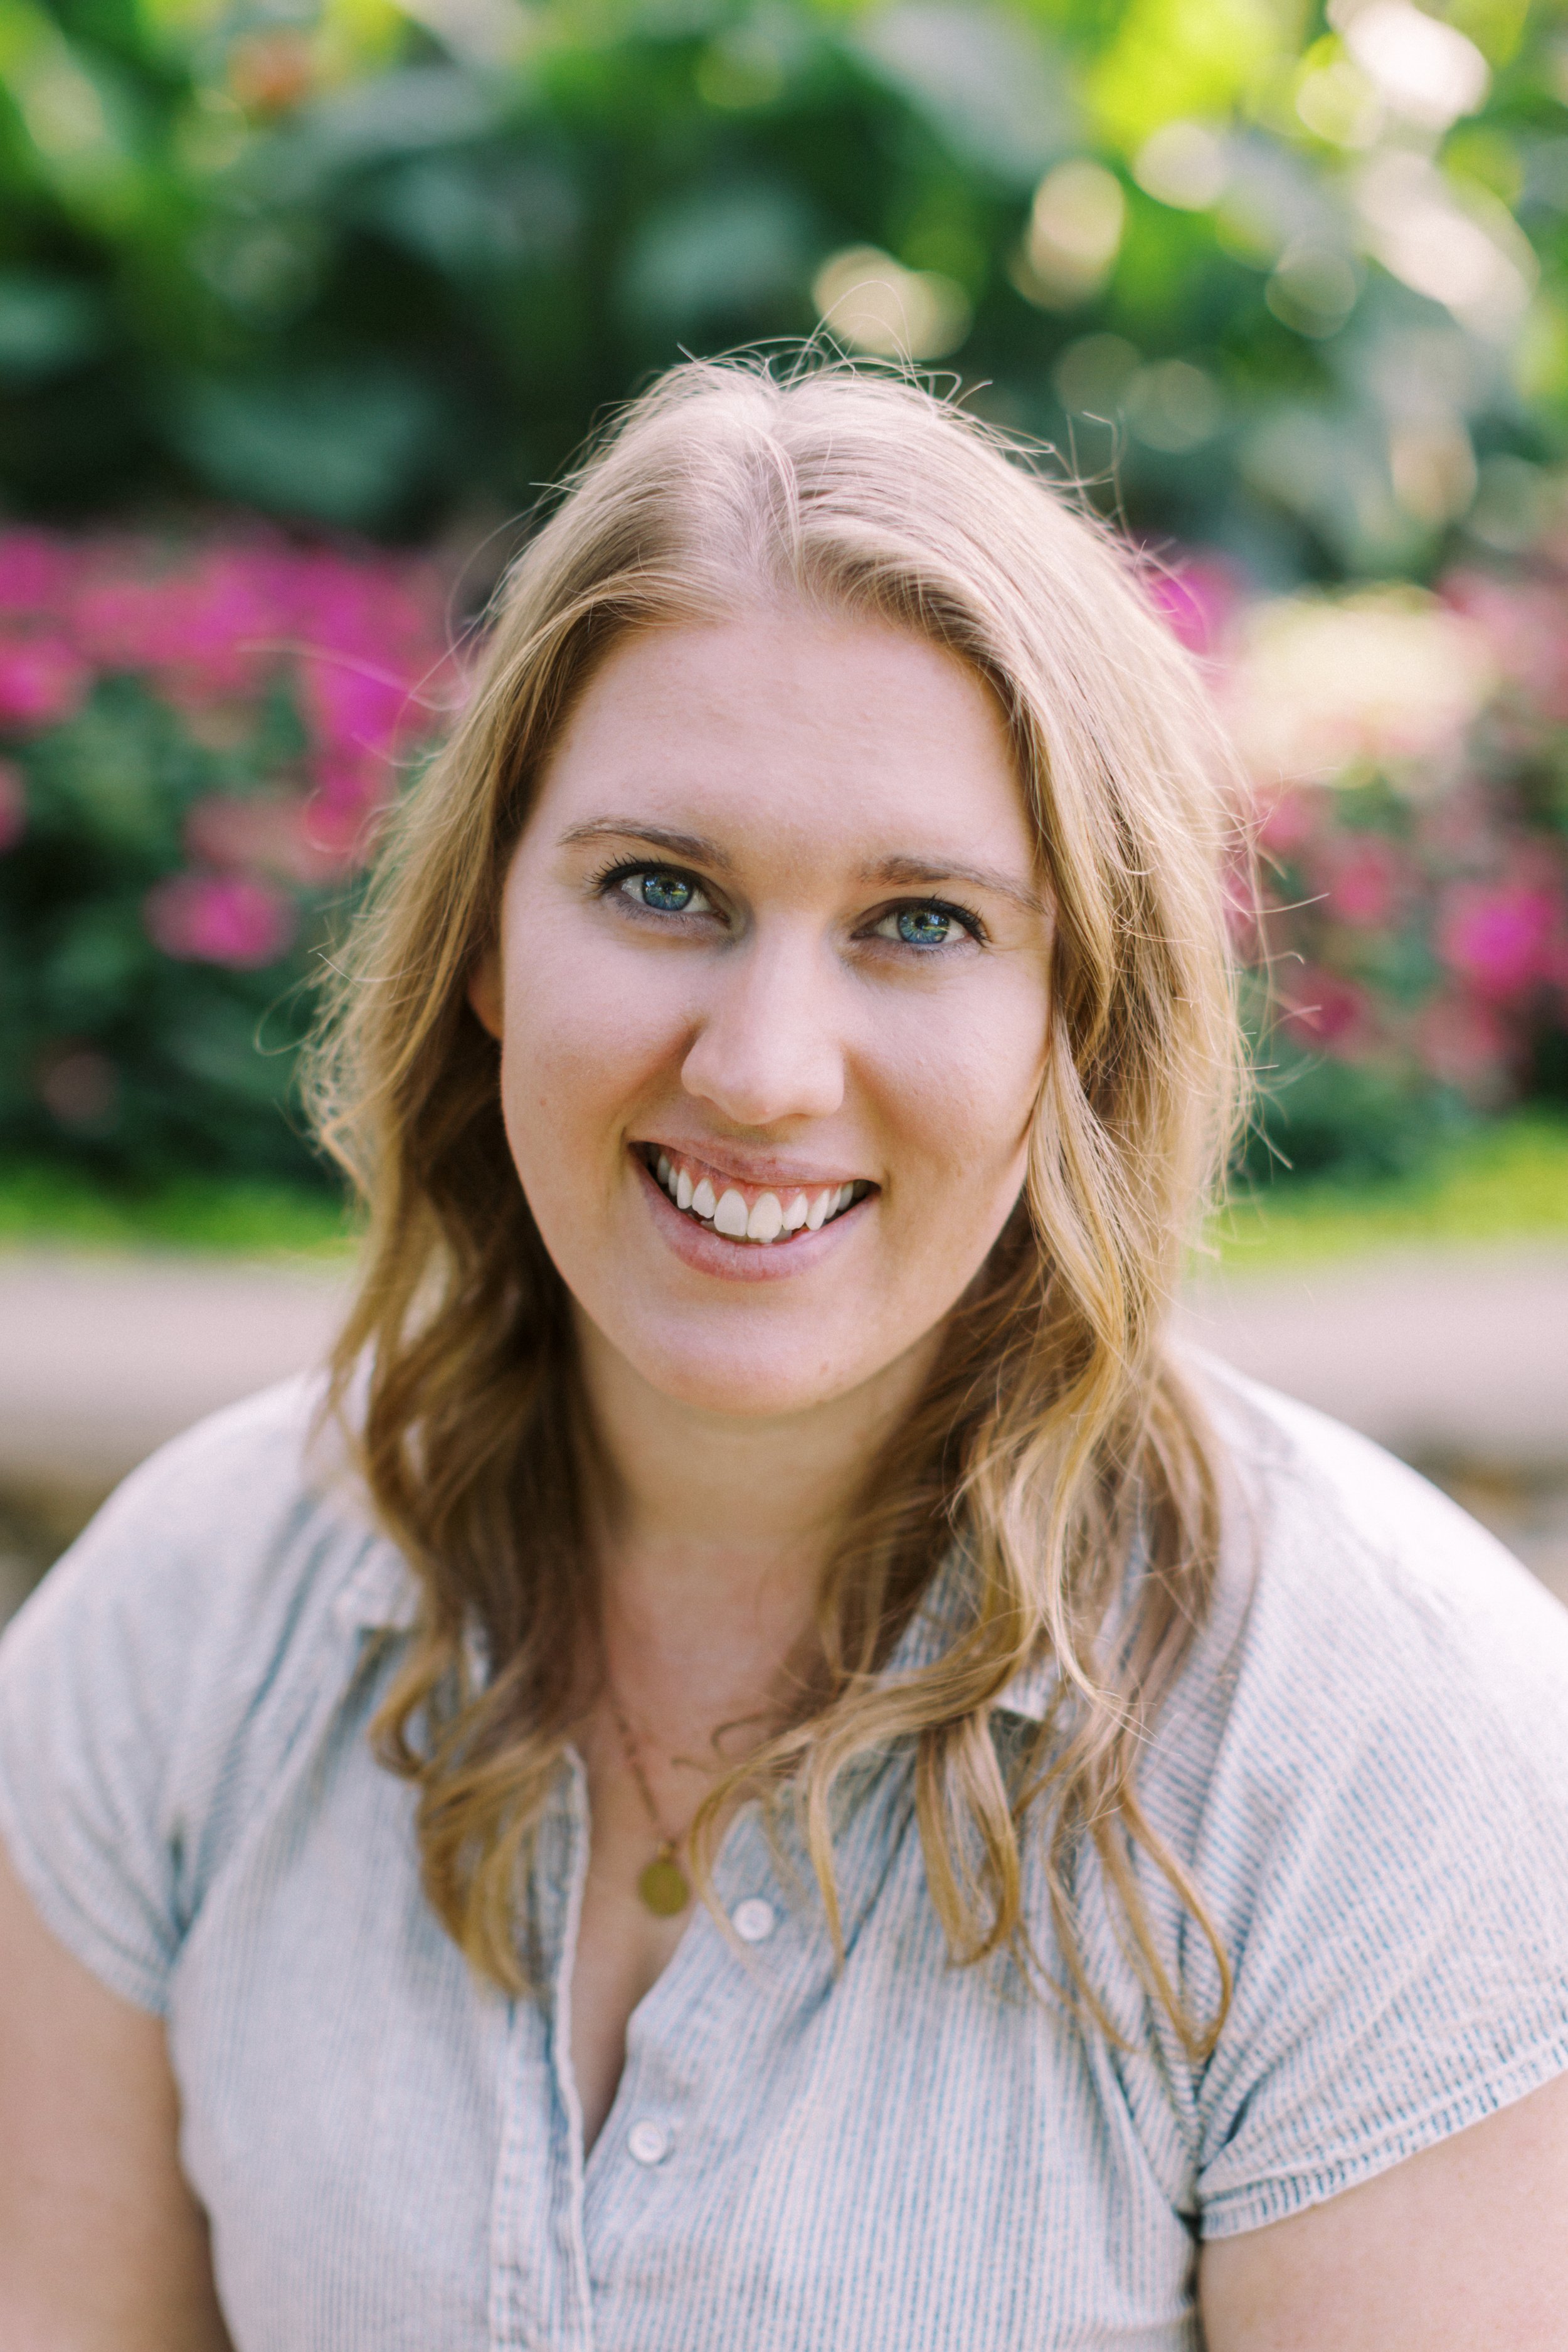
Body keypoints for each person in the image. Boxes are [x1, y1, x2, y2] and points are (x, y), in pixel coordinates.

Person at [3, 359, 1567, 2352]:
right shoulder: (180, 1631)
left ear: (1077, 1018)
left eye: (918, 922)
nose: (758, 1068)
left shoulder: (1379, 1765)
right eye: (663, 889)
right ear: (488, 939)